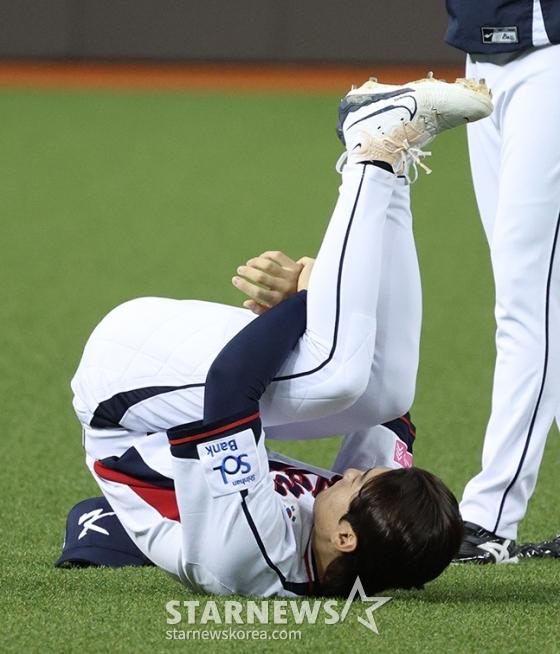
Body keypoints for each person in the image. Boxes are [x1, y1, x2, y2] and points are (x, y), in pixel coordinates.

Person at [71, 75, 492, 596]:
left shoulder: (245, 558)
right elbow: (392, 413)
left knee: (335, 373)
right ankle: (394, 160)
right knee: (387, 391)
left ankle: (374, 149)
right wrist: (327, 297)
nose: (350, 475)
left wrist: (308, 299)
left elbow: (227, 388)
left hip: (123, 403)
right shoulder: (369, 531)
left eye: (357, 482)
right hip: (177, 396)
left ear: (345, 537)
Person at [445, 2, 560, 563]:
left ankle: (490, 517)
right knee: (547, 299)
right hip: (482, 63)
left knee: (525, 305)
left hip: (551, 61)